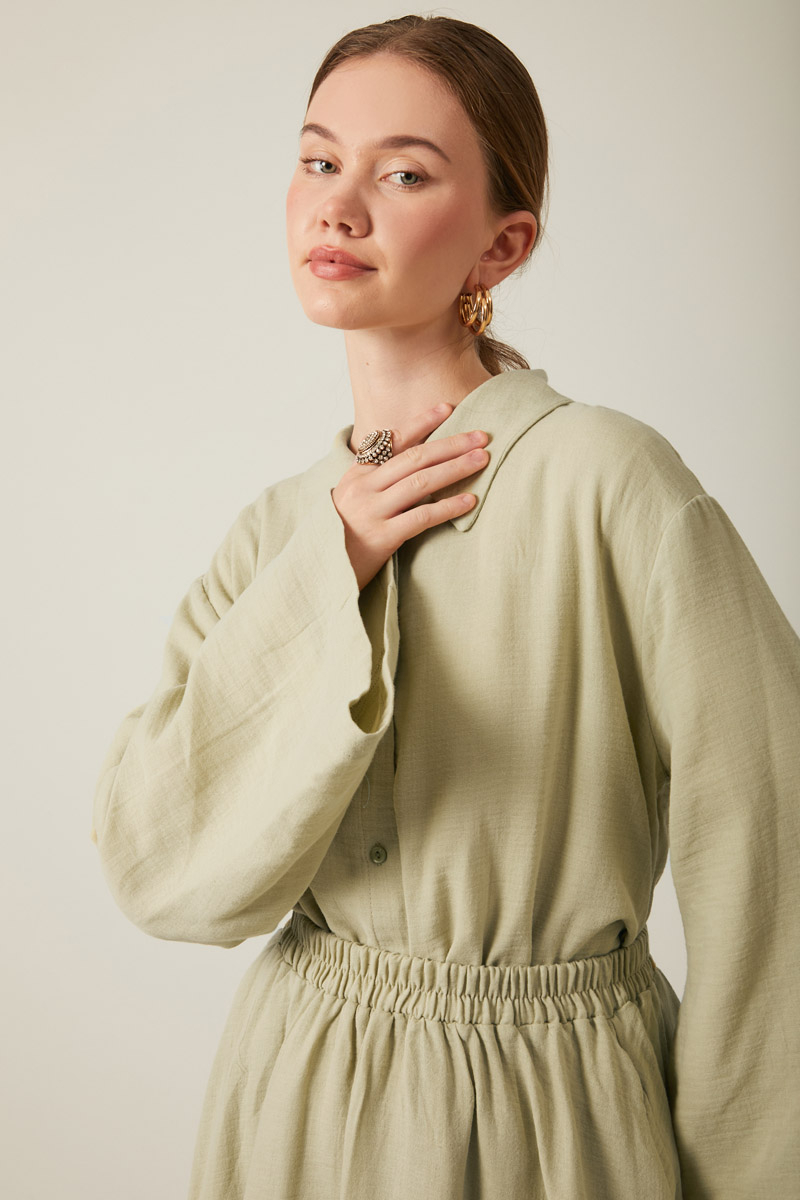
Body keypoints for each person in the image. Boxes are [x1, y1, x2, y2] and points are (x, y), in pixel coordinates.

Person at [90, 14, 800, 1200]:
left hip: (549, 1126)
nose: (337, 206)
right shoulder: (278, 531)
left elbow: (773, 863)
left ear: (499, 245)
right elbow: (158, 870)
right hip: (294, 1104)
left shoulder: (608, 484)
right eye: (318, 159)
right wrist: (331, 564)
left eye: (403, 174)